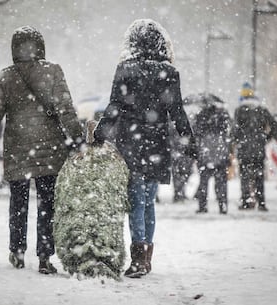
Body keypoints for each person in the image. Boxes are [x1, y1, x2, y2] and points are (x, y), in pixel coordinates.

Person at [0, 26, 83, 274]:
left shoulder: (6, 76)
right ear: (41, 47)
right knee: (47, 203)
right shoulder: (53, 71)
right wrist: (77, 138)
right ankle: (44, 257)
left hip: (17, 150)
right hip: (49, 149)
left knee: (18, 203)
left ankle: (17, 251)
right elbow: (66, 108)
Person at [94, 19, 195, 278]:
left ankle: (138, 257)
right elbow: (177, 110)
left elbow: (115, 105)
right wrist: (187, 138)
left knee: (137, 201)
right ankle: (146, 256)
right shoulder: (169, 72)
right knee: (148, 201)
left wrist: (100, 133)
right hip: (158, 142)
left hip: (132, 142)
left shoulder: (126, 69)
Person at [231, 82, 275, 211]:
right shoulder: (261, 109)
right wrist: (265, 138)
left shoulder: (239, 110)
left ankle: (245, 201)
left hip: (244, 149)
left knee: (244, 176)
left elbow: (235, 130)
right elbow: (274, 126)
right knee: (259, 176)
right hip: (258, 149)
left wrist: (237, 140)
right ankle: (261, 202)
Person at [193, 98, 231, 214]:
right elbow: (228, 131)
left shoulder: (201, 116)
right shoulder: (222, 115)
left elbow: (196, 132)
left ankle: (202, 206)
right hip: (220, 151)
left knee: (204, 181)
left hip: (205, 152)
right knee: (221, 182)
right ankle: (222, 204)